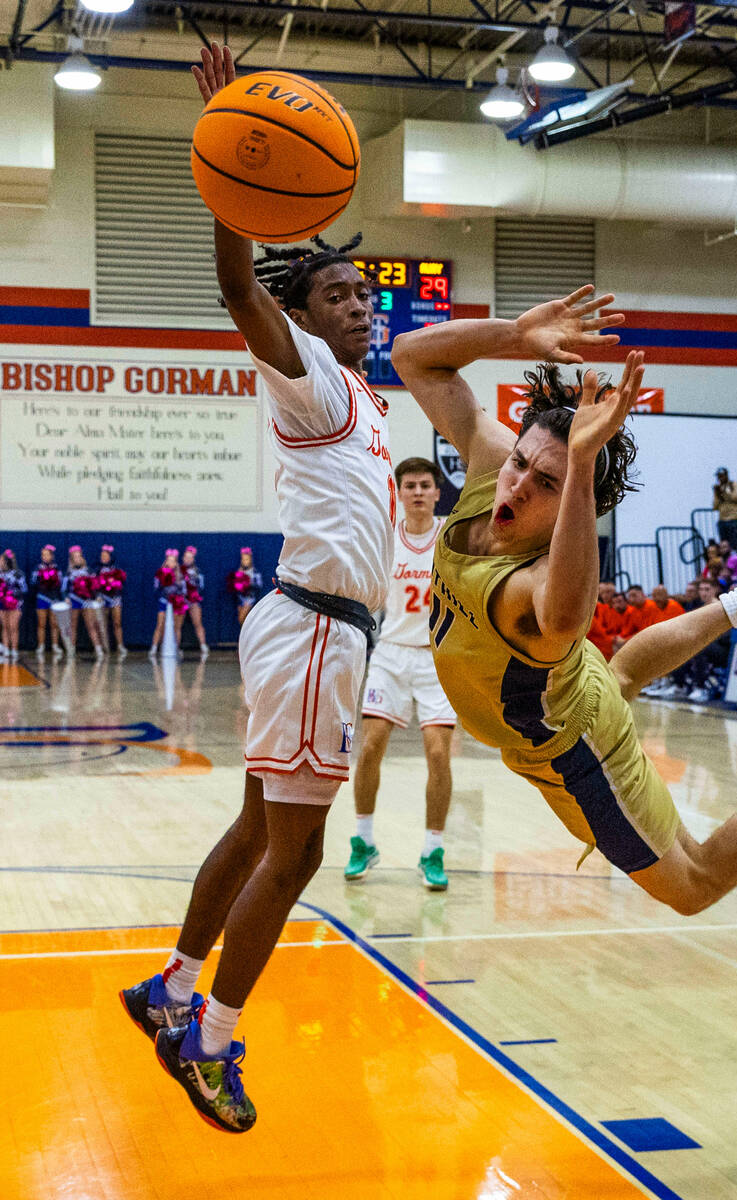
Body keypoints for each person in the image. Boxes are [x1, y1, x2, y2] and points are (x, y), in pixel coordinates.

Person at [391, 285, 737, 945]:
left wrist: (580, 465)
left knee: (693, 880)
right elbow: (411, 356)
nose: (517, 483)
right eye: (520, 462)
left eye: (547, 484)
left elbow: (566, 620)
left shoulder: (533, 583)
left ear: (571, 505)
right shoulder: (490, 469)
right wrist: (513, 334)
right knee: (620, 673)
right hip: (568, 701)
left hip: (571, 753)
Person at [120, 41, 396, 1135]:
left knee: (253, 831)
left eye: (364, 291)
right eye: (338, 294)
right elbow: (236, 284)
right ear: (305, 312)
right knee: (298, 850)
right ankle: (213, 1038)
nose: (359, 305)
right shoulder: (307, 374)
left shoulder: (365, 402)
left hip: (321, 633)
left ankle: (172, 987)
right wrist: (233, 167)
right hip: (318, 634)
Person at [345, 457, 457, 891]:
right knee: (370, 748)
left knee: (437, 755)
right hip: (390, 653)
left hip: (437, 659)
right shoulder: (385, 537)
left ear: (435, 492)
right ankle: (363, 841)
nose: (416, 492)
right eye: (408, 485)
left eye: (424, 485)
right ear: (400, 491)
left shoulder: (450, 537)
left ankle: (433, 849)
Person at [63, 545, 104, 658]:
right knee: (73, 625)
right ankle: (71, 649)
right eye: (75, 557)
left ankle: (98, 649)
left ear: (82, 558)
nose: (77, 559)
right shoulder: (68, 572)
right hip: (74, 600)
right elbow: (64, 588)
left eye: (79, 557)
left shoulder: (89, 571)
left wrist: (97, 596)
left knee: (91, 625)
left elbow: (96, 585)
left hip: (86, 600)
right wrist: (66, 597)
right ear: (72, 559)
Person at [148, 548, 186, 657]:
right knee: (160, 625)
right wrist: (163, 581)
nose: (171, 563)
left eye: (173, 561)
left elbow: (184, 590)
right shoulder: (160, 574)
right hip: (164, 601)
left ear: (176, 563)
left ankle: (176, 648)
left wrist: (178, 596)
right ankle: (154, 648)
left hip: (176, 603)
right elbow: (156, 588)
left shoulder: (180, 575)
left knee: (176, 627)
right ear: (166, 562)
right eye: (169, 560)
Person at [95, 545, 128, 657]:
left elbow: (122, 582)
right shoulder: (97, 569)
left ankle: (120, 645)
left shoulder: (116, 569)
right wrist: (98, 594)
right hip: (103, 598)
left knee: (117, 622)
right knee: (103, 623)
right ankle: (105, 646)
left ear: (110, 556)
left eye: (106, 556)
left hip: (115, 597)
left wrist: (114, 583)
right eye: (102, 556)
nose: (103, 558)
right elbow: (94, 584)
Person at [32, 544, 63, 657]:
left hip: (54, 598)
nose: (44, 557)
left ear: (51, 556)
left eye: (46, 554)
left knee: (54, 623)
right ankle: (41, 645)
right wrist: (42, 579)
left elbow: (61, 584)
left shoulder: (57, 568)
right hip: (42, 597)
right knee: (41, 623)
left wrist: (53, 582)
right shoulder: (37, 568)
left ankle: (55, 645)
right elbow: (33, 582)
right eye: (43, 555)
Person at [180, 546, 210, 657]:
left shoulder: (197, 571)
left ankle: (203, 645)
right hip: (181, 601)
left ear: (193, 559)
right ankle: (177, 647)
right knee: (178, 625)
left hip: (193, 600)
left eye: (190, 558)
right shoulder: (179, 570)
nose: (188, 560)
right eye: (186, 557)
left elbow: (201, 586)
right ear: (183, 558)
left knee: (197, 623)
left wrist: (191, 586)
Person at [0, 550, 27, 660]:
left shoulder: (18, 573)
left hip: (15, 603)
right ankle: (6, 648)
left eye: (1, 560)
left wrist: (12, 593)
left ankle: (14, 649)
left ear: (6, 562)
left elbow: (24, 589)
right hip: (2, 602)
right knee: (5, 626)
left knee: (13, 626)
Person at [712, 467, 737, 550]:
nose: (720, 478)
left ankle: (733, 559)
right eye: (719, 476)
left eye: (722, 476)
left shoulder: (734, 485)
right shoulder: (718, 488)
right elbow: (715, 506)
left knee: (733, 544)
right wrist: (717, 494)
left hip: (733, 518)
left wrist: (724, 492)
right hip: (722, 519)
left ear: (726, 475)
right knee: (723, 545)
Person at [231, 548, 263, 626]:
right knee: (243, 622)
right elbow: (234, 586)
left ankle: (250, 636)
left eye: (247, 559)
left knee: (241, 619)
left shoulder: (254, 572)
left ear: (250, 560)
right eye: (244, 559)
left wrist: (249, 584)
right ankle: (246, 637)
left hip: (250, 598)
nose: (245, 561)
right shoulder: (239, 572)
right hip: (240, 598)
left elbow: (259, 585)